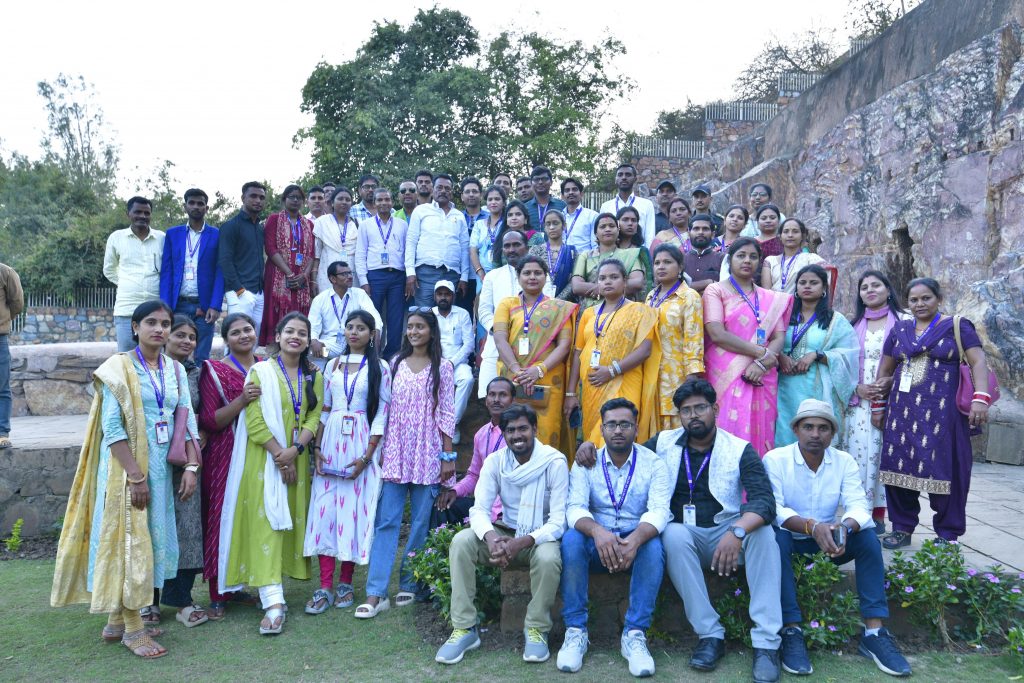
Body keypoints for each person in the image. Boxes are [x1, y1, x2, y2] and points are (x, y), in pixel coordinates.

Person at [575, 378, 782, 680]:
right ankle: (710, 635)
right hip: (685, 538)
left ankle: (766, 643)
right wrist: (588, 446)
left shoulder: (739, 449)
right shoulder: (663, 443)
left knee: (763, 533)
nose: (693, 415)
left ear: (715, 409)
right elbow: (624, 450)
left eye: (700, 408)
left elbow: (764, 501)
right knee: (671, 532)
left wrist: (737, 531)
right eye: (686, 410)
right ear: (679, 415)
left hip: (727, 530)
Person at [52, 300, 201, 659]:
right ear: (135, 327)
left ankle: (117, 620)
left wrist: (192, 467)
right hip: (125, 470)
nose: (160, 329)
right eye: (151, 322)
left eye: (165, 323)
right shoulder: (118, 368)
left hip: (161, 470)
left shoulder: (175, 370)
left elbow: (186, 418)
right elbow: (112, 428)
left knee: (148, 540)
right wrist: (136, 477)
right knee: (130, 541)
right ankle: (134, 630)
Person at [765, 398, 912, 678]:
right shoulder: (776, 459)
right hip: (791, 544)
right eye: (808, 427)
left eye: (823, 428)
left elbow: (859, 506)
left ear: (833, 433)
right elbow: (774, 508)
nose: (815, 434)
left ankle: (874, 633)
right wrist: (811, 527)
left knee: (868, 539)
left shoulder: (843, 461)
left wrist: (844, 528)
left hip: (830, 545)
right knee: (773, 537)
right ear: (795, 429)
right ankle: (791, 630)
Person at [435, 404, 568, 666]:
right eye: (511, 430)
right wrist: (491, 538)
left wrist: (521, 542)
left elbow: (558, 521)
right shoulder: (495, 462)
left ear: (535, 430)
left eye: (523, 429)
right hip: (503, 532)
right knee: (461, 542)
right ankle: (464, 628)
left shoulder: (554, 462)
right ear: (504, 434)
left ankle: (536, 629)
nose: (517, 435)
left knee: (549, 558)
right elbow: (479, 510)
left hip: (538, 537)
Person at [219, 312, 323, 635]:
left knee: (286, 524)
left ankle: (275, 588)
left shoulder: (313, 375)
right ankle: (273, 602)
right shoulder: (260, 371)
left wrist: (296, 450)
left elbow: (314, 416)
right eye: (289, 331)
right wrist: (281, 455)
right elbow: (253, 421)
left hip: (296, 461)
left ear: (308, 340)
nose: (296, 337)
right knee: (267, 526)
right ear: (277, 336)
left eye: (302, 333)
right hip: (264, 462)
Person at [873, 278, 991, 548]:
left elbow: (978, 361)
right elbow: (885, 369)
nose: (919, 304)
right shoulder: (900, 330)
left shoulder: (957, 326)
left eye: (926, 298)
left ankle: (947, 534)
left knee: (948, 469)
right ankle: (901, 528)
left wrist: (981, 399)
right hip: (902, 415)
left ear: (939, 299)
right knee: (898, 469)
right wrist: (879, 406)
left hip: (944, 416)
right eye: (913, 300)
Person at [556, 398, 670, 677]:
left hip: (634, 540)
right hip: (597, 541)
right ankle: (575, 631)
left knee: (654, 546)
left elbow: (659, 511)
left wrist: (636, 540)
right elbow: (575, 507)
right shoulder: (586, 462)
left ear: (636, 428)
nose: (618, 430)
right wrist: (598, 532)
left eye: (625, 424)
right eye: (611, 425)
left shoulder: (654, 464)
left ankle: (634, 634)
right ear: (602, 429)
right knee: (571, 540)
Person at [358, 308, 456, 618]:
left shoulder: (444, 367)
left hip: (428, 451)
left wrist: (447, 456)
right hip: (397, 451)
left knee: (420, 523)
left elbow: (447, 412)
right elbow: (384, 409)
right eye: (410, 326)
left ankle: (409, 583)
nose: (413, 332)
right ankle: (376, 592)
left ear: (432, 331)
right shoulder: (395, 363)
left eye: (420, 327)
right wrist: (380, 447)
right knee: (386, 521)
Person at [304, 310, 392, 615]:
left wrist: (367, 456)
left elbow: (382, 412)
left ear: (371, 334)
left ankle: (345, 582)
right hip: (331, 441)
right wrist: (316, 447)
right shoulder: (333, 364)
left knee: (354, 510)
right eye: (350, 327)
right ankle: (324, 585)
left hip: (361, 442)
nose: (354, 332)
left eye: (361, 328)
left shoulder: (380, 367)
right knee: (326, 510)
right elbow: (325, 408)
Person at [197, 313, 263, 620]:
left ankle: (238, 586)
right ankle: (217, 594)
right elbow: (211, 420)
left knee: (251, 518)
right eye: (235, 332)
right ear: (226, 339)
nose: (243, 336)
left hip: (259, 452)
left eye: (247, 329)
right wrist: (241, 400)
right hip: (224, 454)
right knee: (221, 519)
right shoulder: (215, 370)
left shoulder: (266, 366)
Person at [703, 238, 792, 456]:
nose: (747, 261)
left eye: (753, 257)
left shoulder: (770, 298)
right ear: (730, 260)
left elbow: (779, 336)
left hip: (762, 373)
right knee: (726, 429)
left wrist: (761, 364)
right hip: (725, 372)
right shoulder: (715, 291)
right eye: (741, 255)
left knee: (762, 432)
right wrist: (761, 354)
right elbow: (717, 333)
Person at [565, 259, 659, 446]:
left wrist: (612, 371)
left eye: (614, 277)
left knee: (620, 431)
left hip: (625, 381)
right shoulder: (589, 314)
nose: (607, 281)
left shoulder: (640, 311)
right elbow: (578, 354)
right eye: (602, 278)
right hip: (592, 386)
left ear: (625, 281)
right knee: (595, 435)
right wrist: (570, 393)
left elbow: (645, 350)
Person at [839, 271, 906, 534]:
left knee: (883, 457)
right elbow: (842, 363)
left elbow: (913, 361)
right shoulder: (850, 325)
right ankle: (857, 512)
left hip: (895, 399)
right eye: (864, 287)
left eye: (876, 285)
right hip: (858, 401)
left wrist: (892, 381)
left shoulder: (905, 321)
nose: (870, 290)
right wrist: (856, 388)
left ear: (888, 290)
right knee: (858, 456)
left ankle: (879, 515)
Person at [493, 256, 578, 453]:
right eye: (527, 273)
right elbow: (500, 339)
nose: (532, 277)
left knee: (547, 437)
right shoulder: (507, 304)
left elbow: (564, 345)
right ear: (518, 276)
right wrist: (517, 370)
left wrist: (539, 370)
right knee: (514, 433)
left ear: (545, 276)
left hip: (547, 379)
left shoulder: (559, 308)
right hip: (515, 378)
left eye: (538, 273)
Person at [155, 316, 208, 629]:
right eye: (180, 335)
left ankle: (182, 600)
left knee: (187, 527)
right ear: (165, 336)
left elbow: (208, 413)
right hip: (152, 457)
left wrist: (203, 436)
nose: (187, 341)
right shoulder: (148, 371)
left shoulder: (198, 373)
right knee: (152, 526)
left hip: (188, 457)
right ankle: (148, 601)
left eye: (191, 337)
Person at [775, 265, 859, 448]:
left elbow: (849, 354)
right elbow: (766, 341)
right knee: (782, 432)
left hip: (815, 387)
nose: (807, 286)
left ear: (823, 289)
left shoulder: (834, 320)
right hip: (782, 385)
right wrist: (780, 356)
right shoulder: (783, 315)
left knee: (811, 433)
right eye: (802, 282)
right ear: (796, 288)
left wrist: (817, 355)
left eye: (814, 283)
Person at [432, 376, 514, 527]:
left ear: (512, 401)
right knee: (443, 506)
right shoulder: (481, 434)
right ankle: (438, 543)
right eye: (492, 395)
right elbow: (474, 475)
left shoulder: (517, 435)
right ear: (486, 400)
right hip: (483, 503)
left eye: (503, 395)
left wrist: (486, 515)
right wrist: (454, 491)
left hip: (507, 509)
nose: (496, 399)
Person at [159, 188, 224, 363]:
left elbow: (220, 271)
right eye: (192, 203)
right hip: (177, 305)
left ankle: (199, 383)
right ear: (185, 206)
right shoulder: (173, 234)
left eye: (200, 203)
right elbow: (167, 271)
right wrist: (165, 306)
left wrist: (215, 305)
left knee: (201, 357)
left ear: (206, 208)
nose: (196, 206)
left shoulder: (217, 234)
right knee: (173, 355)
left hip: (204, 307)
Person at [646, 245, 704, 430]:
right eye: (657, 263)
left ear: (680, 267)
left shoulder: (689, 297)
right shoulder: (650, 296)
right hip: (650, 373)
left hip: (677, 376)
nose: (661, 267)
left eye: (667, 262)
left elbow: (694, 338)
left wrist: (691, 378)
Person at [104, 197, 166, 351]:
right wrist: (127, 282)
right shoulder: (117, 237)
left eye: (147, 213)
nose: (142, 216)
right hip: (127, 310)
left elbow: (168, 270)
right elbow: (109, 270)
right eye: (138, 212)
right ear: (128, 214)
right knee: (126, 358)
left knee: (155, 358)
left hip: (155, 310)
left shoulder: (161, 238)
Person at [260, 186, 316, 348]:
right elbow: (270, 248)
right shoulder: (274, 219)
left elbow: (312, 254)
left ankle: (296, 348)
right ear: (284, 199)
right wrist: (289, 273)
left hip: (301, 278)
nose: (295, 200)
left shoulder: (308, 224)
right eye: (292, 197)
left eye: (299, 197)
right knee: (277, 310)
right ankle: (275, 349)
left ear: (303, 201)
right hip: (278, 274)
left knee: (298, 312)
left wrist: (304, 276)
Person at [358, 187, 408, 359]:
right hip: (375, 276)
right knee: (372, 316)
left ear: (392, 202)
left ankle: (392, 356)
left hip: (397, 276)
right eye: (379, 200)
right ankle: (372, 353)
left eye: (387, 199)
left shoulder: (401, 225)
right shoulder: (366, 225)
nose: (383, 203)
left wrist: (408, 275)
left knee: (396, 318)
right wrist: (364, 281)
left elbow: (407, 252)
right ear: (374, 203)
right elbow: (360, 254)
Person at [405, 174, 470, 307]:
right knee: (424, 314)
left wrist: (464, 277)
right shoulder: (420, 211)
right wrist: (410, 273)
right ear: (432, 189)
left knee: (448, 315)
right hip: (425, 274)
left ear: (451, 192)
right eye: (439, 187)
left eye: (447, 188)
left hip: (452, 275)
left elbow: (465, 248)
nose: (443, 191)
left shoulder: (459, 216)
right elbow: (411, 242)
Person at [478, 229, 528, 397]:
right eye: (507, 246)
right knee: (489, 396)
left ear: (526, 247)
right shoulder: (492, 276)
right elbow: (483, 310)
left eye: (516, 245)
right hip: (495, 345)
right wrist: (497, 330)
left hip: (528, 344)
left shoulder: (538, 275)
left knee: (521, 399)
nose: (511, 249)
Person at [308, 261, 382, 370]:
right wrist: (314, 340)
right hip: (330, 346)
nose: (350, 277)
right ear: (333, 279)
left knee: (366, 343)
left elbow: (374, 315)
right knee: (311, 350)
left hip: (353, 341)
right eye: (344, 274)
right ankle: (321, 375)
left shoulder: (360, 294)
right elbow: (312, 326)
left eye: (350, 273)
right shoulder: (320, 299)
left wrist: (376, 331)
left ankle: (361, 368)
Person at [570, 213, 647, 310]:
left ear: (618, 231)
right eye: (602, 227)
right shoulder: (585, 256)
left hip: (622, 309)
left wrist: (602, 289)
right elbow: (576, 286)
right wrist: (604, 288)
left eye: (612, 226)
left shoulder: (630, 254)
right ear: (596, 234)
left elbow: (637, 282)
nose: (607, 229)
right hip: (591, 310)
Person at [220, 182, 267, 338]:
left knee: (253, 339)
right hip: (240, 292)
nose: (258, 200)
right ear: (243, 198)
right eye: (253, 196)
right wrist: (239, 290)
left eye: (261, 197)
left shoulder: (260, 228)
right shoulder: (230, 226)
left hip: (259, 292)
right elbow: (225, 261)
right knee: (237, 338)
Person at [433, 280, 475, 442]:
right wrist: (439, 362)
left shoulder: (462, 314)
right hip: (434, 362)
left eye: (447, 294)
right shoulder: (429, 314)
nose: (443, 297)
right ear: (435, 296)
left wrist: (451, 363)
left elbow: (469, 344)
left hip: (457, 362)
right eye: (440, 294)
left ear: (453, 296)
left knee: (467, 379)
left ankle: (452, 424)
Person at [312, 186, 360, 293]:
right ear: (332, 203)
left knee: (351, 301)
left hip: (352, 274)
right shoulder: (322, 222)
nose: (344, 202)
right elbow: (316, 255)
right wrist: (313, 280)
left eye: (347, 200)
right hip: (327, 275)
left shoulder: (357, 224)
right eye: (340, 199)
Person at [761, 218, 825, 295]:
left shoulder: (812, 259)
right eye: (786, 231)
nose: (790, 235)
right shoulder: (770, 261)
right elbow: (766, 293)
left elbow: (825, 281)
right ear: (780, 236)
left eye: (795, 231)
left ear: (802, 236)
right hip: (773, 302)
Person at [600, 164, 656, 248]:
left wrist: (646, 254)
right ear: (615, 179)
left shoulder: (647, 204)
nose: (624, 177)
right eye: (620, 175)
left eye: (628, 175)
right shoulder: (606, 206)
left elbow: (650, 235)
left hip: (638, 251)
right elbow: (601, 232)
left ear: (635, 179)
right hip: (612, 252)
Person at [527, 210, 577, 299]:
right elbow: (530, 275)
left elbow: (573, 280)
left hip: (565, 303)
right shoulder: (535, 250)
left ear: (564, 226)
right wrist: (543, 300)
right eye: (548, 224)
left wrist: (557, 300)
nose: (551, 227)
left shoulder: (572, 252)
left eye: (555, 223)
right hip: (538, 300)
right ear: (544, 228)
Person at [0, 262, 23, 450]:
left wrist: (3, 321)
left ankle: (2, 433)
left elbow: (17, 303)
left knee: (2, 386)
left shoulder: (5, 272)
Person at [614, 206, 654, 300]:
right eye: (625, 220)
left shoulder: (642, 252)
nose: (630, 223)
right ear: (617, 223)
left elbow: (649, 280)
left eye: (634, 220)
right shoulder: (610, 249)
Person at [470, 185, 506, 287]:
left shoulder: (507, 223)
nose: (493, 202)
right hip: (482, 275)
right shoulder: (479, 224)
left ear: (503, 202)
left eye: (497, 199)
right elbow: (473, 251)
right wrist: (480, 272)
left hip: (503, 274)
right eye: (490, 199)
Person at [683, 215, 725, 294]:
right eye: (696, 229)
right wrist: (709, 282)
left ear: (713, 234)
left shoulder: (722, 259)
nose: (700, 232)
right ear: (688, 233)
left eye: (705, 229)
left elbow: (725, 288)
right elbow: (676, 288)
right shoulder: (680, 260)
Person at [491, 199, 541, 266]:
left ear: (525, 219)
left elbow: (543, 261)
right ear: (506, 220)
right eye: (510, 215)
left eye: (518, 214)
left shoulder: (536, 238)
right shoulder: (502, 239)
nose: (514, 218)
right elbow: (495, 265)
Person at [560, 177, 598, 252]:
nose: (571, 192)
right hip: (562, 258)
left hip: (585, 258)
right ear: (562, 196)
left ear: (581, 194)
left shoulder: (592, 216)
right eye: (567, 190)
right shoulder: (559, 217)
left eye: (574, 189)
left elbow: (595, 245)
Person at [753, 204, 785, 279]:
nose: (768, 221)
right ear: (757, 222)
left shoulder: (784, 242)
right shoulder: (751, 242)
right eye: (763, 218)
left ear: (779, 221)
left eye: (772, 218)